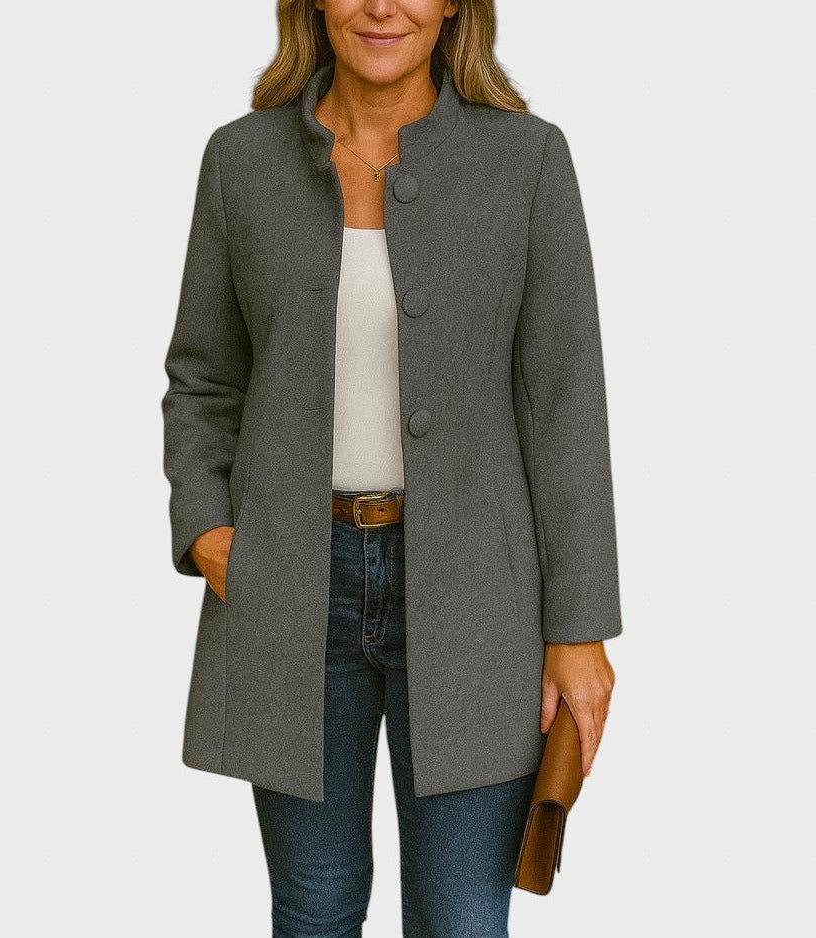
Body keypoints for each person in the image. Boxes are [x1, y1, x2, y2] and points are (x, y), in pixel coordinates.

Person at [162, 1, 622, 935]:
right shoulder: (241, 160)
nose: (382, 6)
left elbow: (566, 404)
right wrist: (207, 529)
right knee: (314, 909)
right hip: (291, 586)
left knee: (460, 920)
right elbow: (203, 377)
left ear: (453, 4)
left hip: (480, 599)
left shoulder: (526, 160)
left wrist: (579, 630)